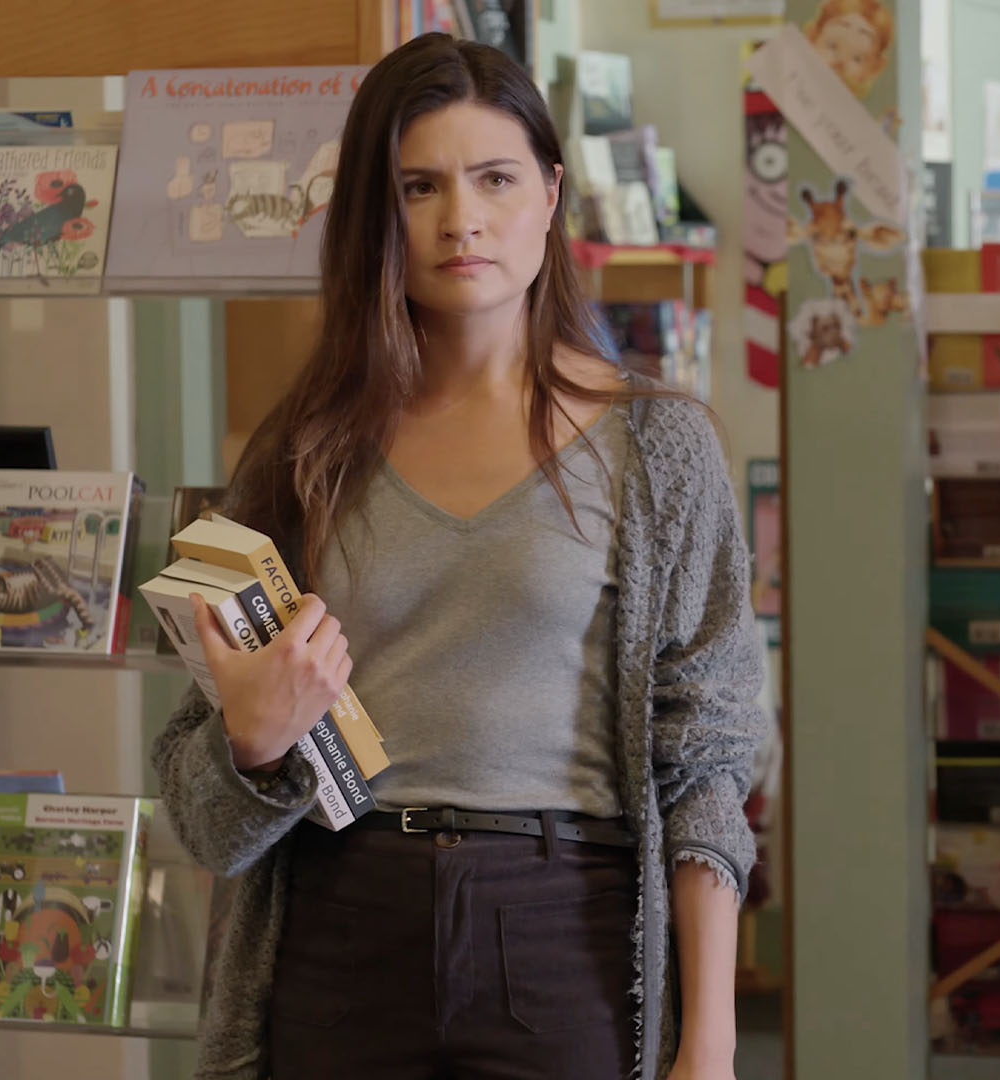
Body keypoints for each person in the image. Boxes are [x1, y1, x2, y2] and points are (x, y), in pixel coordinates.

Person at [151, 33, 765, 1080]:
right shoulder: (305, 448)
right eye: (419, 186)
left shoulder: (660, 447)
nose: (460, 219)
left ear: (552, 193)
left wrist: (709, 1040)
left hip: (566, 931)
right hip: (340, 924)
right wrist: (251, 745)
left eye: (495, 179)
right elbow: (207, 825)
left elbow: (705, 762)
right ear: (376, 213)